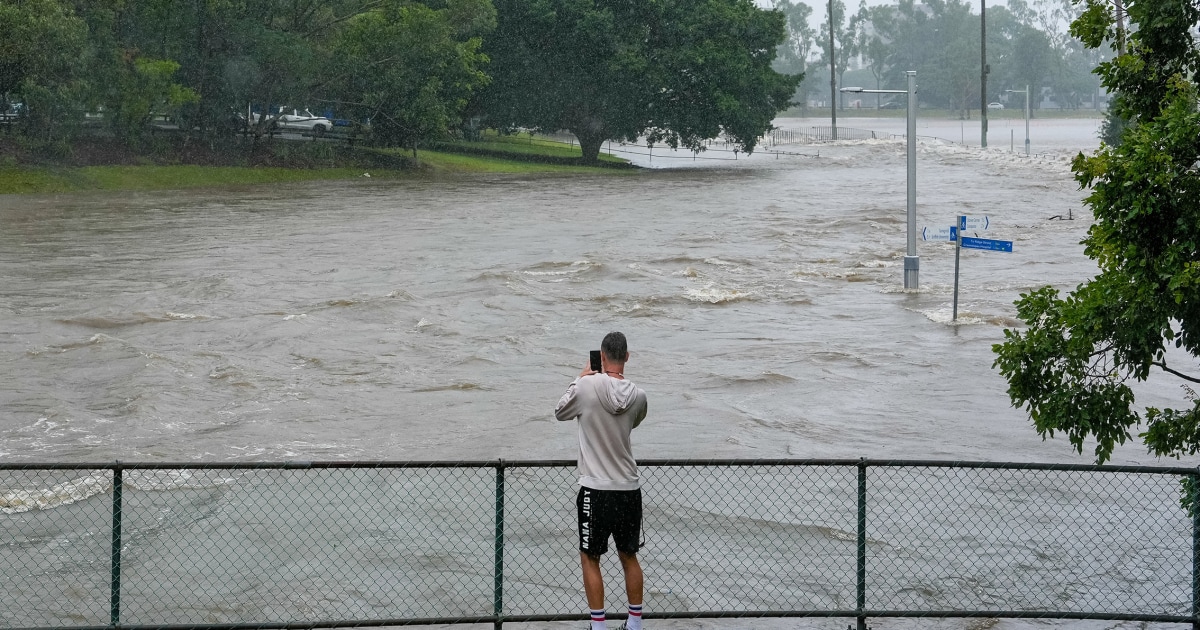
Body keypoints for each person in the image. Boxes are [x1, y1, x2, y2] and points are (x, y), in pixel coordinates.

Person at [555, 331, 649, 630]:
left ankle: (598, 626)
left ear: (601, 355)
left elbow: (560, 412)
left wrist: (579, 377)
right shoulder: (639, 395)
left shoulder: (585, 386)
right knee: (629, 555)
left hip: (595, 488)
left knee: (590, 556)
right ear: (627, 357)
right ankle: (634, 624)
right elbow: (632, 422)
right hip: (628, 486)